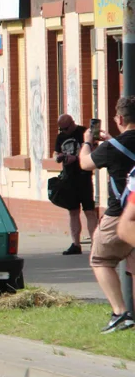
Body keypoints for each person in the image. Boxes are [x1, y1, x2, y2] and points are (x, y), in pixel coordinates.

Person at [80, 97, 135, 333]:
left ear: (120, 119)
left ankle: (120, 313)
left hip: (121, 214)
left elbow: (84, 164)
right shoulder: (114, 145)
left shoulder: (111, 148)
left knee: (100, 259)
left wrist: (87, 142)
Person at [54, 114, 98, 255]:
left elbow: (94, 150)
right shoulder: (61, 137)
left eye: (66, 128)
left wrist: (77, 157)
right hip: (69, 178)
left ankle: (95, 243)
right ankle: (75, 244)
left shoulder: (83, 132)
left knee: (89, 211)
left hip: (83, 176)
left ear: (72, 123)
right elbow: (55, 152)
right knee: (73, 212)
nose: (64, 131)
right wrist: (58, 157)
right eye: (61, 129)